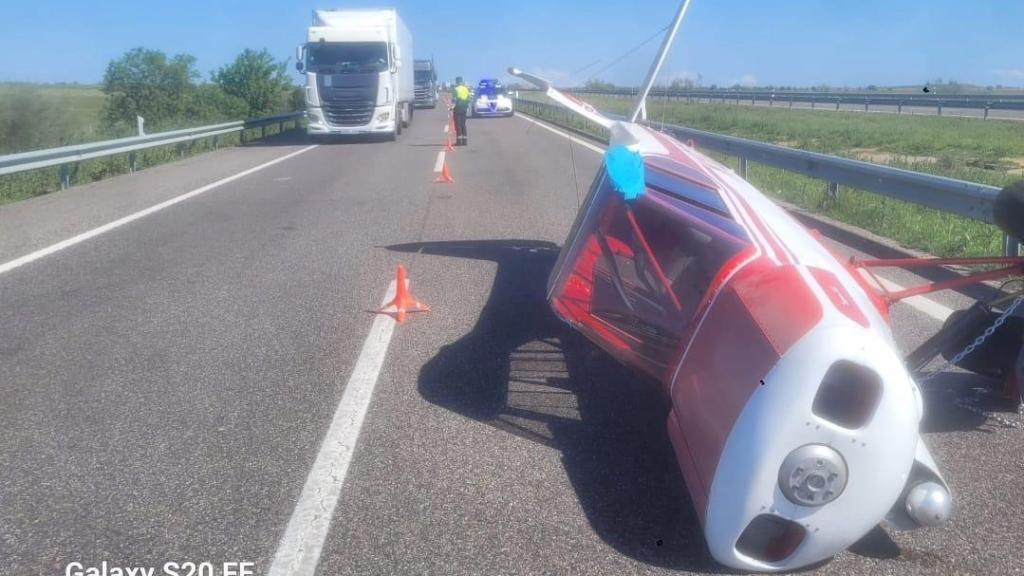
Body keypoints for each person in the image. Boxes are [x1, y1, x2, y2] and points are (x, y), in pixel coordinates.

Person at [450, 76, 471, 146]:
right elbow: (469, 98)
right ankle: (465, 141)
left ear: (456, 82)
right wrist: (467, 106)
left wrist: (451, 108)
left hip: (458, 108)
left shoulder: (455, 89)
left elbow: (454, 100)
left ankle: (459, 142)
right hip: (464, 108)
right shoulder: (466, 89)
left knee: (458, 125)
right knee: (463, 124)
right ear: (461, 81)